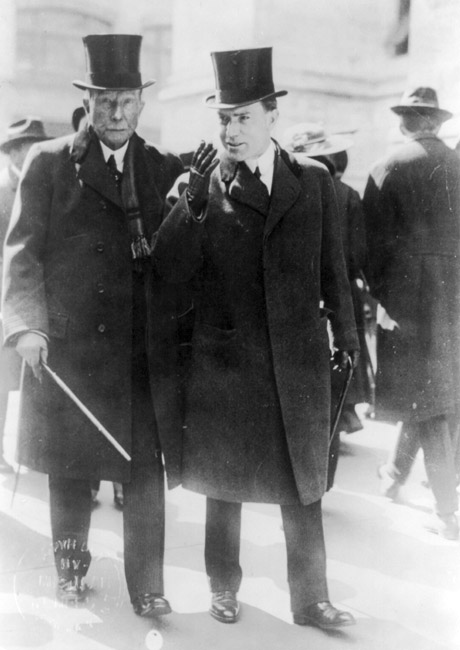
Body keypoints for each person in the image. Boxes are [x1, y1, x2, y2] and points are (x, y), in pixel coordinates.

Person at [154, 47, 359, 630]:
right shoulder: (200, 184)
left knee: (304, 484)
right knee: (225, 484)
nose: (231, 129)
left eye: (243, 117)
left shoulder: (312, 180)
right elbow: (169, 271)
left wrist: (347, 336)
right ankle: (223, 587)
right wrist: (190, 199)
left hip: (296, 356)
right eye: (223, 118)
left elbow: (333, 269)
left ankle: (311, 598)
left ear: (272, 117)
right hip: (227, 358)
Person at [2, 34, 185, 614]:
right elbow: (22, 254)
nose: (115, 112)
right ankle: (70, 572)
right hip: (70, 352)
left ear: (141, 103)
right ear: (88, 100)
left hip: (138, 355)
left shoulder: (159, 168)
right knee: (70, 472)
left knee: (145, 475)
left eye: (126, 99)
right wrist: (26, 326)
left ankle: (149, 588)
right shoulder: (51, 162)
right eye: (104, 99)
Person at [363, 87, 460, 540]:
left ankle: (446, 507)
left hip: (409, 299)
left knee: (429, 401)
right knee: (437, 393)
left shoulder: (388, 168)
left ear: (405, 121)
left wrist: (385, 297)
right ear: (437, 123)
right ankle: (395, 475)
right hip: (454, 298)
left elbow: (368, 246)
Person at [282, 123, 370, 490]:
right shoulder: (346, 193)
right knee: (336, 381)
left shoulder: (286, 188)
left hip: (296, 300)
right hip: (339, 295)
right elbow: (357, 252)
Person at [70, 105, 123, 510]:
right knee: (83, 424)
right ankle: (87, 483)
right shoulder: (61, 164)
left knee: (120, 420)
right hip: (80, 329)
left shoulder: (151, 164)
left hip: (125, 330)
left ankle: (118, 483)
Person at [0, 117, 50, 473]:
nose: (28, 152)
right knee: (1, 378)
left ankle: (39, 454)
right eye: (22, 146)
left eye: (34, 145)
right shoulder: (1, 190)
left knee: (36, 372)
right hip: (4, 296)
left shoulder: (44, 183)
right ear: (12, 152)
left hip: (36, 294)